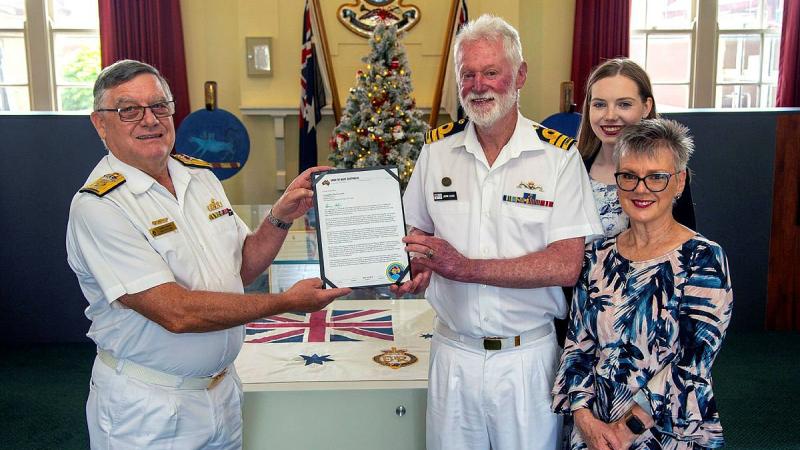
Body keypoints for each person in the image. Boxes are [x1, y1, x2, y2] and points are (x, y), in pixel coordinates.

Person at [66, 59, 350, 449]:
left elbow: (243, 266)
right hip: (150, 407)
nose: (149, 120)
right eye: (129, 110)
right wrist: (285, 302)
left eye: (159, 106)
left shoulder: (200, 178)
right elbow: (176, 313)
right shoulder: (100, 207)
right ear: (101, 123)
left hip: (221, 393)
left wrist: (280, 215)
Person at [392, 15, 603, 450]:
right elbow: (415, 236)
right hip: (453, 355)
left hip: (526, 361)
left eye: (491, 71)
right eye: (467, 73)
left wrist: (466, 268)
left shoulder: (557, 159)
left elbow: (566, 265)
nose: (478, 84)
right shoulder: (436, 153)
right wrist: (414, 267)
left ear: (519, 75)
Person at [552, 119, 733, 450]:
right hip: (595, 430)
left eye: (656, 177)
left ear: (679, 182)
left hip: (669, 431)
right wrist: (584, 418)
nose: (640, 188)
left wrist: (626, 429)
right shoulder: (596, 256)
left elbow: (693, 363)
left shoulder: (703, 258)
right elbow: (577, 344)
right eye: (629, 176)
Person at [576, 58, 696, 238]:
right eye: (600, 104)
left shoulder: (667, 173)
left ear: (646, 107)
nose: (610, 116)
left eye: (624, 104)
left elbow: (684, 247)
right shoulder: (569, 168)